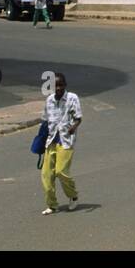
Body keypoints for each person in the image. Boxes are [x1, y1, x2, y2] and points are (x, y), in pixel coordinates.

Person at [41, 72, 83, 215]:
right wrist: (42, 140)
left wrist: (73, 127)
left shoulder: (72, 98)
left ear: (65, 85)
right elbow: (45, 121)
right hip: (51, 141)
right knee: (47, 175)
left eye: (61, 85)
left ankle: (73, 195)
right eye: (55, 86)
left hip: (66, 141)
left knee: (61, 171)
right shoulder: (49, 100)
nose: (58, 88)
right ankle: (52, 205)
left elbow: (78, 118)